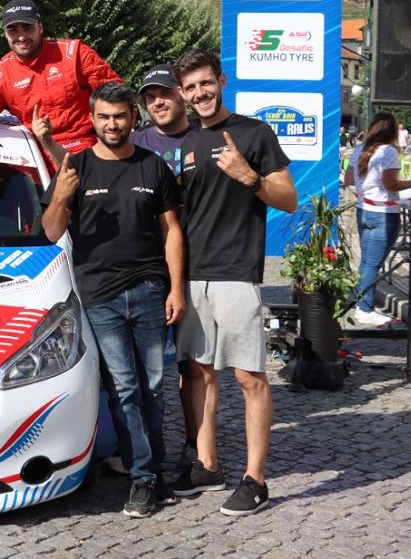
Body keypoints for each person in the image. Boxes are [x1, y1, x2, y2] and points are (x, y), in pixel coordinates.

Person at [41, 82, 185, 518]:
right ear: (92, 118)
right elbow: (49, 231)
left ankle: (152, 469)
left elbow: (172, 232)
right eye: (104, 116)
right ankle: (144, 478)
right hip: (99, 297)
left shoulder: (154, 167)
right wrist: (63, 196)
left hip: (150, 292)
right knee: (124, 389)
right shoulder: (76, 166)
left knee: (155, 388)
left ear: (132, 118)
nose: (112, 124)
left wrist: (177, 288)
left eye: (120, 116)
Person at [171, 48, 297, 516]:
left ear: (221, 81)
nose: (200, 93)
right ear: (183, 94)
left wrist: (250, 177)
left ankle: (256, 480)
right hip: (194, 277)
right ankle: (206, 464)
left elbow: (288, 199)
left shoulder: (254, 133)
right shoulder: (186, 143)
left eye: (206, 83)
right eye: (191, 88)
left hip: (237, 274)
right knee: (199, 372)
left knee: (249, 377)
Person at [0, 0, 121, 168]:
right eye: (13, 30)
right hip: (40, 163)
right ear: (5, 33)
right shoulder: (0, 74)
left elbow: (117, 97)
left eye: (27, 28)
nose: (21, 37)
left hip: (89, 156)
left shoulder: (74, 54)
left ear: (40, 28)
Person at [130, 63, 200, 470]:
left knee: (192, 366)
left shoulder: (203, 137)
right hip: (144, 270)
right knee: (143, 371)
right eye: (149, 96)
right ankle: (141, 450)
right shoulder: (134, 140)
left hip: (197, 267)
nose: (157, 101)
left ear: (182, 95)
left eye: (165, 93)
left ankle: (193, 445)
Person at [342, 111, 411, 327]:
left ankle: (362, 304)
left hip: (364, 210)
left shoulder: (360, 149)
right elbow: (391, 184)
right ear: (391, 130)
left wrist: (364, 192)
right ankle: (365, 308)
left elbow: (349, 178)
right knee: (373, 263)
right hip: (384, 214)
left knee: (366, 261)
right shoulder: (388, 151)